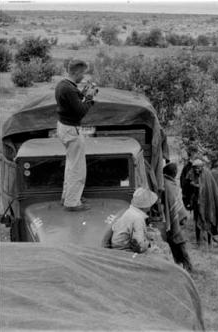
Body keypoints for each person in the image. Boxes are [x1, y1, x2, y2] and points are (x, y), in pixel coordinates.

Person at [55, 59, 96, 211]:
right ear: (77, 72)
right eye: (83, 74)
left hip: (63, 127)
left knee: (71, 165)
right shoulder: (70, 89)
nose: (83, 77)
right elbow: (80, 111)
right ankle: (72, 202)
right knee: (78, 168)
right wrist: (90, 98)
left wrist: (83, 94)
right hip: (72, 129)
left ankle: (68, 196)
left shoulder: (62, 85)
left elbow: (74, 103)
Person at [101, 187, 158, 253]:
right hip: (124, 251)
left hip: (118, 245)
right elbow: (140, 246)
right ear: (146, 205)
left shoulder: (130, 211)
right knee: (158, 251)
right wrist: (149, 244)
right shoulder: (138, 218)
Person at [161, 163, 193, 272]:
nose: (176, 173)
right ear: (171, 173)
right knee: (180, 243)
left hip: (175, 219)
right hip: (174, 220)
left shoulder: (168, 182)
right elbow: (172, 203)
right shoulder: (168, 185)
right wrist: (179, 217)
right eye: (175, 171)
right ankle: (188, 267)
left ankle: (182, 266)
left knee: (176, 243)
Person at [187, 159, 218, 248]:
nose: (196, 170)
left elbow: (209, 188)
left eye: (198, 168)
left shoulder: (207, 174)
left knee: (208, 220)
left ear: (202, 167)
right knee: (197, 220)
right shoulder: (191, 173)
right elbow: (188, 184)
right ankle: (198, 242)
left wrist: (199, 186)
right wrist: (193, 185)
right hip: (197, 201)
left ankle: (209, 242)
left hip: (207, 201)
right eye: (195, 168)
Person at [180, 145, 199, 210]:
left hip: (195, 186)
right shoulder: (187, 164)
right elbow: (184, 178)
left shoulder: (198, 162)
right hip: (189, 186)